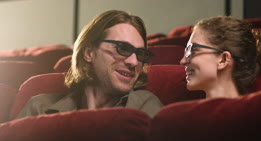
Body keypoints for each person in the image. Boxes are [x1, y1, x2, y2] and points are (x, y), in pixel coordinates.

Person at [16, 10, 163, 119]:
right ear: (88, 53)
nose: (134, 62)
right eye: (122, 48)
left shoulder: (145, 106)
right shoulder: (40, 107)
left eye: (141, 54)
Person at [180, 16, 261, 98]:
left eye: (193, 50)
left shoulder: (250, 117)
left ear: (223, 59)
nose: (183, 61)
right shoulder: (186, 115)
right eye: (186, 51)